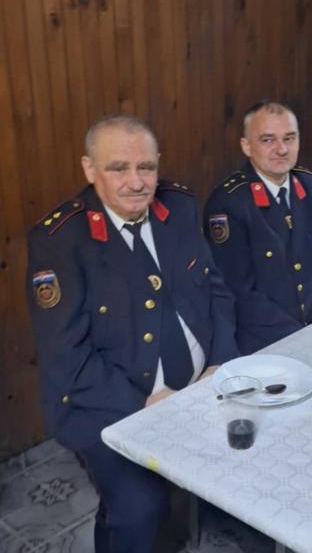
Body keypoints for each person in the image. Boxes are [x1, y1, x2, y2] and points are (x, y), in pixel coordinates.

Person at [26, 116, 238, 553]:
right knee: (138, 508)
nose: (136, 182)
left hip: (202, 383)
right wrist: (146, 404)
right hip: (108, 402)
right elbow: (67, 358)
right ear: (90, 169)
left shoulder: (179, 207)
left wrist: (219, 362)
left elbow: (216, 292)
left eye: (146, 167)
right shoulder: (60, 240)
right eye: (118, 168)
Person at [204, 100, 312, 354]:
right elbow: (238, 292)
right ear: (246, 146)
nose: (282, 149)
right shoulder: (229, 202)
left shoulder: (308, 185)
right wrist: (299, 338)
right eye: (268, 140)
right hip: (263, 342)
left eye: (289, 138)